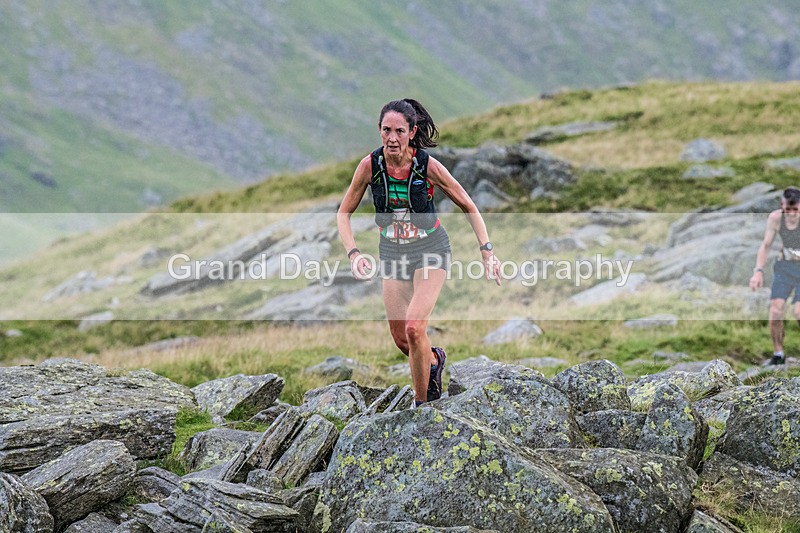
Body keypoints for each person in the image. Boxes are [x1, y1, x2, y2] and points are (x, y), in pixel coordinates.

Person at [337, 98, 502, 406]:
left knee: (415, 327)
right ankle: (434, 362)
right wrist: (354, 253)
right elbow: (343, 213)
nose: (392, 138)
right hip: (392, 253)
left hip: (430, 249)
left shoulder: (427, 166)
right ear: (379, 130)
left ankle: (421, 405)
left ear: (412, 132)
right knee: (403, 340)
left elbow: (468, 204)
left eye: (399, 131)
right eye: (386, 130)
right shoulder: (369, 166)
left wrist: (487, 250)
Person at [749, 186, 800, 365]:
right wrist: (758, 271)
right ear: (782, 205)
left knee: (799, 312)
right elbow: (766, 245)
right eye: (788, 209)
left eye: (796, 210)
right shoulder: (776, 218)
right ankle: (778, 354)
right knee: (776, 309)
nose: (792, 214)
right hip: (785, 266)